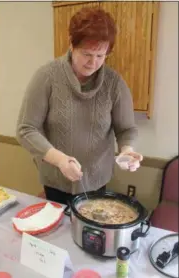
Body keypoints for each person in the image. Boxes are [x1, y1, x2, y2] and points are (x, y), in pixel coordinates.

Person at [16, 7, 143, 205]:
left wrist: (127, 150)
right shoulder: (47, 77)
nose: (93, 63)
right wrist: (59, 160)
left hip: (97, 180)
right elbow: (26, 129)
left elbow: (126, 129)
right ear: (72, 45)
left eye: (100, 56)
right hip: (56, 181)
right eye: (87, 54)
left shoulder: (114, 84)